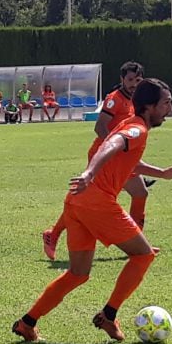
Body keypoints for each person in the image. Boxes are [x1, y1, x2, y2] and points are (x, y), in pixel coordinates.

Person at [13, 78, 172, 343]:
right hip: (97, 203)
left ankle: (27, 323)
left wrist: (162, 173)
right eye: (166, 103)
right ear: (149, 107)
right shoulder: (136, 129)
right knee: (143, 256)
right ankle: (109, 314)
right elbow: (113, 144)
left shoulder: (131, 124)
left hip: (76, 202)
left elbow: (127, 156)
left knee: (77, 273)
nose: (170, 108)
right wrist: (89, 172)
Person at [43, 61, 147, 260]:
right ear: (122, 80)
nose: (134, 83)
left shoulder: (136, 100)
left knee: (140, 192)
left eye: (138, 80)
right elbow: (100, 128)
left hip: (120, 157)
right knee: (89, 200)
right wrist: (115, 150)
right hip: (105, 156)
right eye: (130, 79)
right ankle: (53, 235)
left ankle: (138, 240)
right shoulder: (114, 99)